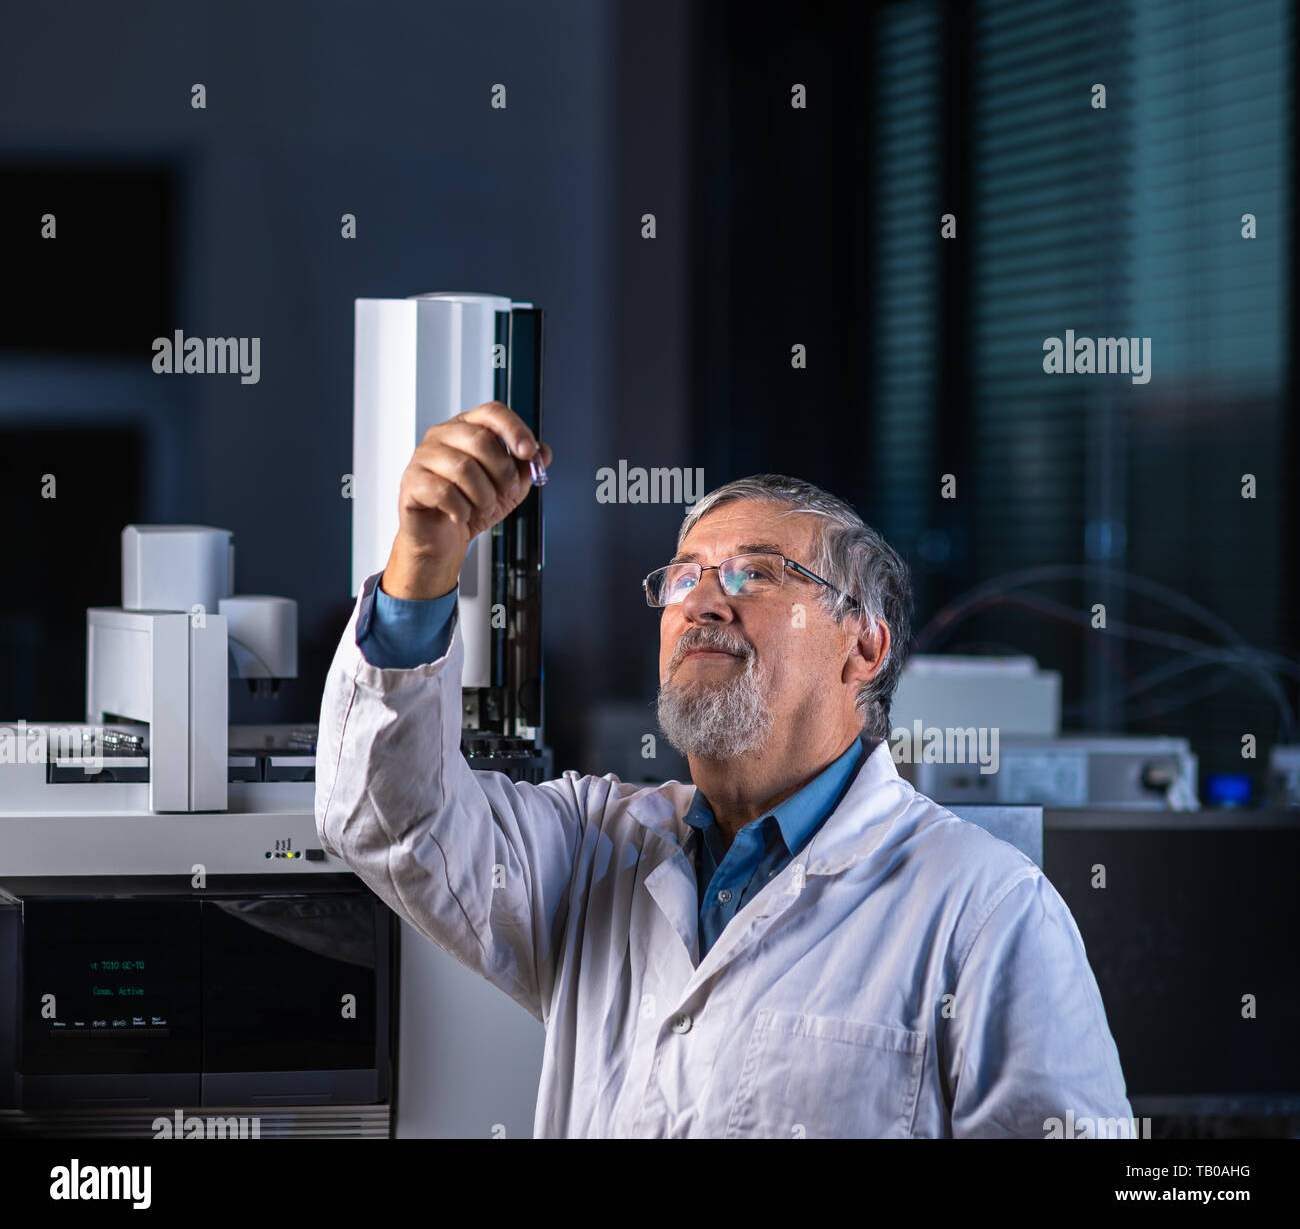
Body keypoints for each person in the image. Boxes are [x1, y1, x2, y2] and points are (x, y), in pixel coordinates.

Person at [315, 400, 1134, 1138]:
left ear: (864, 645)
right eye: (684, 577)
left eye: (755, 574)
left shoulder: (986, 912)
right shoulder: (592, 852)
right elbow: (392, 819)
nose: (703, 601)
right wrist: (423, 560)